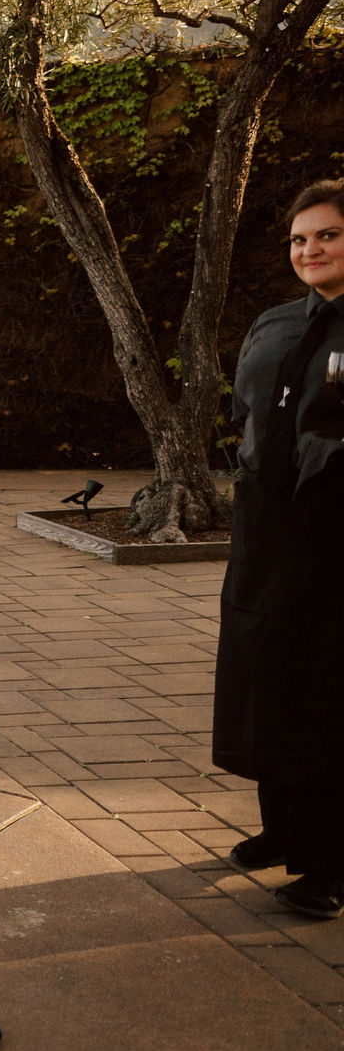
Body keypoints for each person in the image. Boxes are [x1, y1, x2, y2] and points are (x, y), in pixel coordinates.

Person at [213, 178, 344, 920]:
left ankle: (327, 866)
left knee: (326, 697)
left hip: (335, 543)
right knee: (267, 680)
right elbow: (245, 415)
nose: (309, 249)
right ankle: (282, 829)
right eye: (299, 239)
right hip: (265, 538)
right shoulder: (273, 323)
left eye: (326, 235)